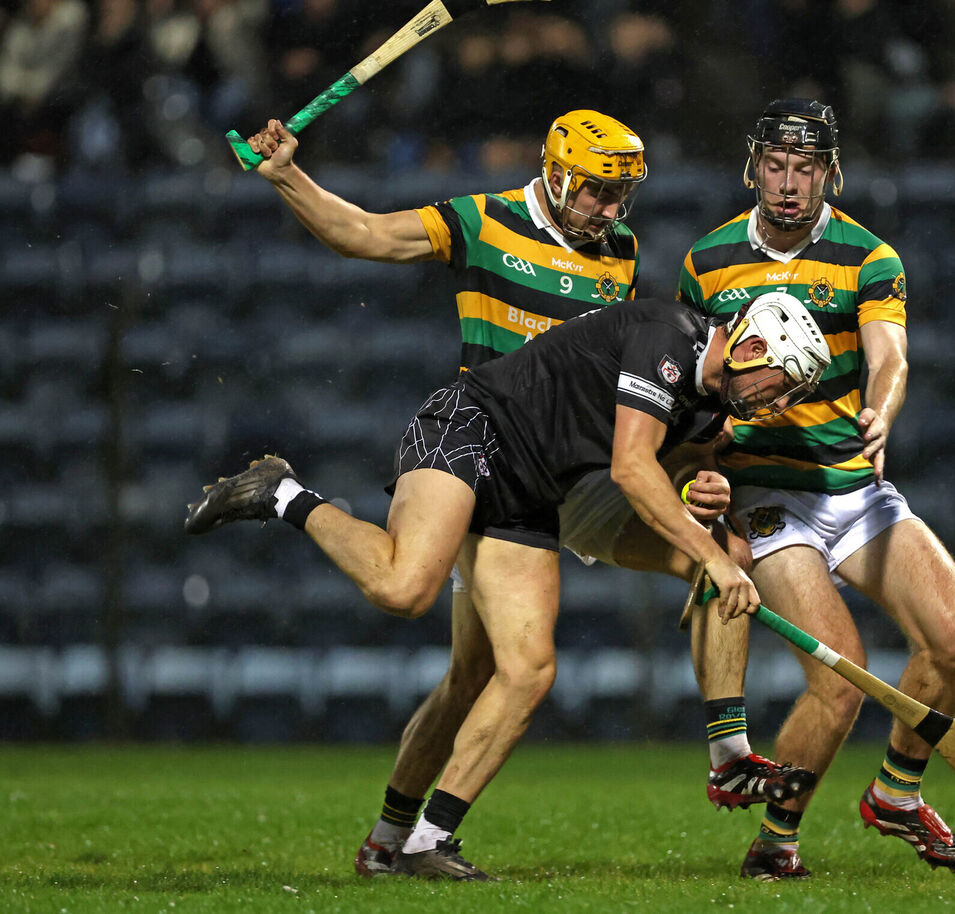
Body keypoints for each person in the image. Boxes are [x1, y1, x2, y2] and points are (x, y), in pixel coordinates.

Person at [242, 109, 800, 878]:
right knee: (448, 633)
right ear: (559, 172)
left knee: (500, 666)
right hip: (478, 440)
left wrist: (690, 472)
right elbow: (367, 234)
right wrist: (288, 178)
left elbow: (626, 401)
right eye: (598, 191)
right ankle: (284, 496)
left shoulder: (623, 257)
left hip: (557, 472)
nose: (609, 210)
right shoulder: (488, 217)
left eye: (621, 195)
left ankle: (722, 753)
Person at [185, 292, 833, 880]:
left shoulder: (712, 407)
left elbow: (680, 470)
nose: (777, 407)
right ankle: (282, 491)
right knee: (404, 588)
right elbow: (633, 469)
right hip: (469, 430)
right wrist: (712, 557)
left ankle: (409, 843)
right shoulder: (670, 335)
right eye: (781, 387)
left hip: (529, 495)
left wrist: (705, 491)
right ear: (750, 348)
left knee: (520, 671)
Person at [678, 98, 955, 880]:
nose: (788, 186)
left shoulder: (868, 257)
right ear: (754, 167)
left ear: (831, 172)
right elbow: (686, 387)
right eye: (776, 167)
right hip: (769, 497)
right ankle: (777, 839)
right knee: (841, 675)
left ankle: (896, 791)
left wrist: (880, 411)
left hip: (852, 489)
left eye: (806, 169)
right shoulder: (706, 261)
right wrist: (693, 470)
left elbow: (890, 356)